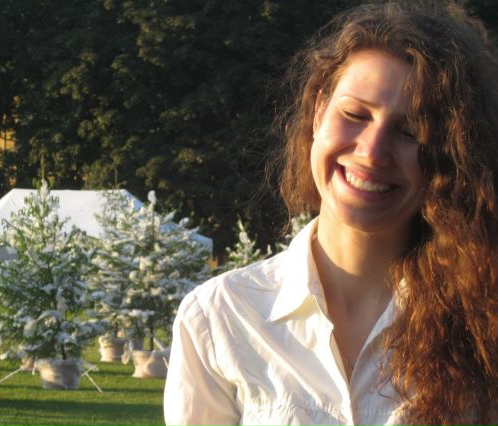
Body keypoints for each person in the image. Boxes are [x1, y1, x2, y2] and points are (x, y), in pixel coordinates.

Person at [163, 1, 498, 425]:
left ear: (452, 154)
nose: (372, 152)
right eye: (355, 115)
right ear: (320, 110)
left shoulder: (484, 325)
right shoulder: (220, 317)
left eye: (410, 131)